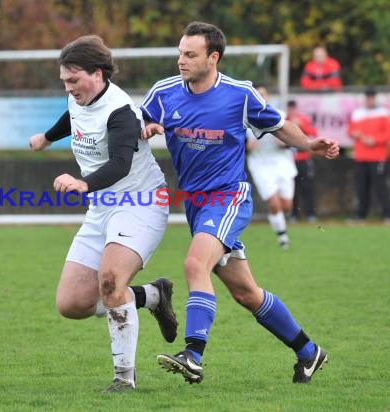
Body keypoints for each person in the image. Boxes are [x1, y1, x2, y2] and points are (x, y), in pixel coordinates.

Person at [140, 21, 339, 385]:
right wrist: (148, 126)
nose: (180, 60)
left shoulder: (239, 94)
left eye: (190, 54)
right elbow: (142, 121)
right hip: (196, 204)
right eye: (180, 53)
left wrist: (310, 144)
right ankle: (309, 353)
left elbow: (280, 125)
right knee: (247, 293)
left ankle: (194, 355)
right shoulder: (164, 92)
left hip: (228, 197)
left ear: (213, 57)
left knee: (194, 264)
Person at [28, 35, 178, 393]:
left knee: (110, 282)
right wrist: (48, 138)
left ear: (97, 74)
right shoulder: (79, 95)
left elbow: (120, 164)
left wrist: (83, 183)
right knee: (72, 304)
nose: (68, 88)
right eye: (64, 81)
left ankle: (124, 379)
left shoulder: (121, 113)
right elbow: (74, 117)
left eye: (73, 80)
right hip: (103, 206)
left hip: (140, 203)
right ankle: (152, 296)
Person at [246, 85, 297, 248]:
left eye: (263, 94)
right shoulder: (243, 118)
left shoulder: (279, 115)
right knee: (274, 203)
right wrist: (247, 148)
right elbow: (236, 145)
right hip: (260, 164)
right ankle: (282, 238)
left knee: (287, 206)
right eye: (257, 94)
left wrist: (284, 143)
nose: (260, 97)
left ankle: (280, 222)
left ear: (268, 97)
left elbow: (293, 140)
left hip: (282, 163)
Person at [347, 87, 390, 222]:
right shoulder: (357, 113)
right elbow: (350, 131)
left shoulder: (384, 113)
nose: (369, 100)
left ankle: (387, 215)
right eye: (368, 97)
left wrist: (374, 140)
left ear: (375, 98)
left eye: (372, 97)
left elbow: (388, 133)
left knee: (381, 187)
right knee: (361, 187)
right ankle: (361, 216)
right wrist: (354, 133)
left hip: (378, 157)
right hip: (361, 157)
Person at [286, 99, 319, 222]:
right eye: (290, 108)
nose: (292, 111)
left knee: (307, 187)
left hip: (304, 159)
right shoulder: (285, 119)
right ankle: (294, 215)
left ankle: (310, 214)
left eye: (294, 108)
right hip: (289, 160)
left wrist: (301, 125)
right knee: (291, 188)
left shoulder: (303, 119)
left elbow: (313, 134)